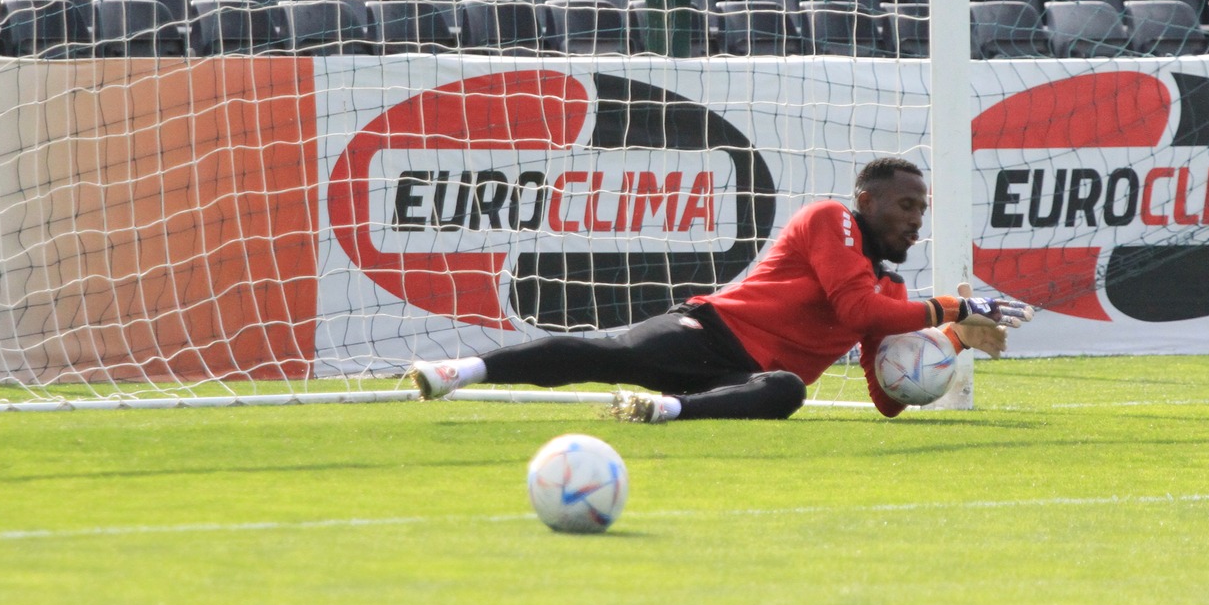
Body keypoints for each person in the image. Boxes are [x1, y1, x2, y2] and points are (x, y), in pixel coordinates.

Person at [404, 156, 1031, 421]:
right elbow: (853, 308)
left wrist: (949, 342)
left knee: (787, 390)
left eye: (922, 210)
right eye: (904, 205)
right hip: (708, 332)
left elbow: (887, 398)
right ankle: (457, 372)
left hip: (738, 381)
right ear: (865, 201)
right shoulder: (828, 220)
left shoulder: (890, 290)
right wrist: (952, 305)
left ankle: (665, 411)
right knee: (612, 354)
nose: (916, 219)